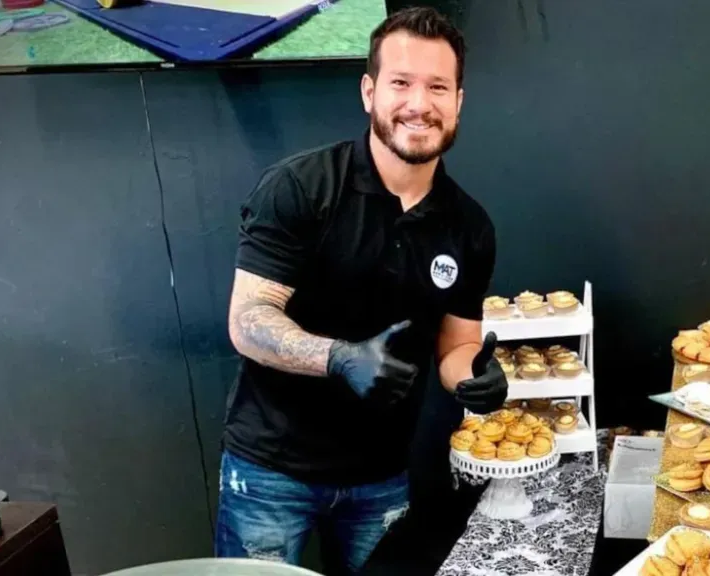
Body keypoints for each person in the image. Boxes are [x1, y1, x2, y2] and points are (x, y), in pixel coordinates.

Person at [214, 7, 507, 573]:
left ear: (459, 102)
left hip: (382, 477)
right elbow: (248, 318)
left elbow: (454, 346)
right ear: (369, 92)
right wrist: (338, 358)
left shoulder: (469, 226)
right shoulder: (301, 187)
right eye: (401, 83)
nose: (419, 104)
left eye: (437, 87)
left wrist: (475, 377)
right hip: (272, 471)